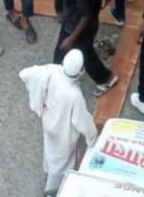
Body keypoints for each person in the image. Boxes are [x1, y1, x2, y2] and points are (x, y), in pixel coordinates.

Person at [19, 50, 98, 197]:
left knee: (51, 154)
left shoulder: (52, 71)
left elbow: (24, 74)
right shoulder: (75, 95)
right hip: (64, 133)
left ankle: (51, 179)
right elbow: (83, 122)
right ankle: (51, 192)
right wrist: (92, 138)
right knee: (61, 164)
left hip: (49, 125)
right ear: (80, 71)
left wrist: (38, 98)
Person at [53, 0, 117, 92]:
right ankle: (57, 74)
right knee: (61, 52)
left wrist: (72, 38)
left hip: (78, 28)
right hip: (70, 22)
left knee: (86, 55)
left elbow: (86, 15)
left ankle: (106, 79)